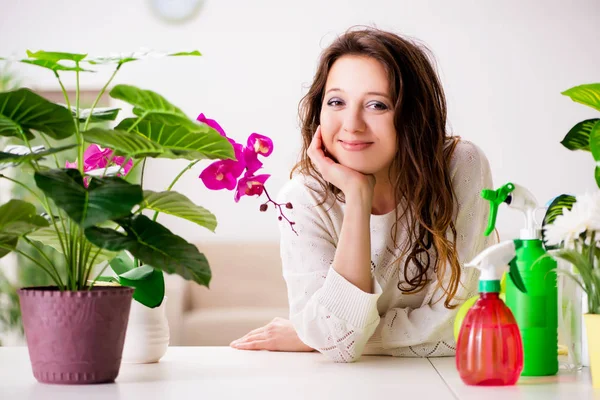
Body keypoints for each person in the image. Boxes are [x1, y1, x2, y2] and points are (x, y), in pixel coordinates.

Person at [229, 26, 497, 362]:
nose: (352, 124)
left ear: (412, 115)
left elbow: (459, 321)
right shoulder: (301, 199)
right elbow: (339, 345)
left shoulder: (460, 167)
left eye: (377, 105)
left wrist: (323, 336)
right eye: (337, 101)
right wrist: (357, 196)